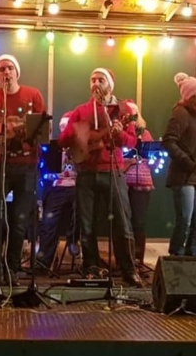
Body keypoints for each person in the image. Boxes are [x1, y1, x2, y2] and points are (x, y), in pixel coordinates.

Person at [58, 67, 141, 286]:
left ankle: (128, 269)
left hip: (113, 172)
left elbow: (131, 142)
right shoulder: (81, 110)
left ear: (109, 85)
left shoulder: (122, 110)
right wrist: (78, 134)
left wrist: (118, 132)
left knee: (123, 222)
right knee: (87, 225)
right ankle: (92, 268)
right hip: (86, 173)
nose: (95, 83)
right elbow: (63, 141)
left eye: (100, 80)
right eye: (92, 79)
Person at [0, 54, 45, 286]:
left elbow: (44, 130)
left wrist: (26, 131)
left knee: (20, 220)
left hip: (26, 167)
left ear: (17, 72)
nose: (6, 72)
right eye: (2, 69)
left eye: (10, 68)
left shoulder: (33, 95)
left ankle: (12, 269)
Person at [162, 72, 196, 257]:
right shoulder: (182, 113)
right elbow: (168, 140)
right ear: (191, 96)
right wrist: (187, 162)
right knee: (185, 220)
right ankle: (177, 257)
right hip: (183, 176)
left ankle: (192, 257)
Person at [36, 111, 80, 271]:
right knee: (48, 222)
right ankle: (43, 261)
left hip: (77, 186)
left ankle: (74, 242)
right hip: (57, 187)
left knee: (81, 214)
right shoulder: (54, 147)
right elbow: (45, 171)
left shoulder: (82, 145)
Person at [122, 101, 154, 269]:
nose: (133, 119)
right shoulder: (119, 134)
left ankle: (138, 259)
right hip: (123, 183)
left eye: (135, 115)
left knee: (139, 222)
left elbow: (153, 162)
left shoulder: (145, 134)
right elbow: (117, 160)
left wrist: (153, 155)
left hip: (143, 184)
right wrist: (129, 161)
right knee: (123, 222)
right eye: (129, 115)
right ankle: (124, 259)